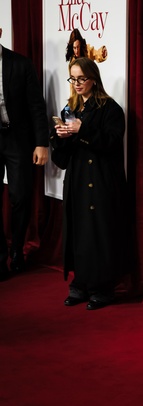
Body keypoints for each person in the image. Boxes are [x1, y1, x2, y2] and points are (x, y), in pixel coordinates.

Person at [50, 57, 130, 310]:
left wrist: (81, 131)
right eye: (73, 78)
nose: (76, 83)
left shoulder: (110, 109)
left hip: (101, 181)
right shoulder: (70, 108)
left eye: (81, 78)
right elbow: (61, 160)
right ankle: (80, 285)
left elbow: (112, 143)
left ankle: (102, 288)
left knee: (98, 233)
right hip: (77, 179)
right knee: (79, 232)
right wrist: (60, 137)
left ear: (93, 79)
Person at [0, 28, 50, 281]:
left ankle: (17, 249)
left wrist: (41, 143)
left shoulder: (20, 64)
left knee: (20, 196)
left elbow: (36, 106)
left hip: (17, 139)